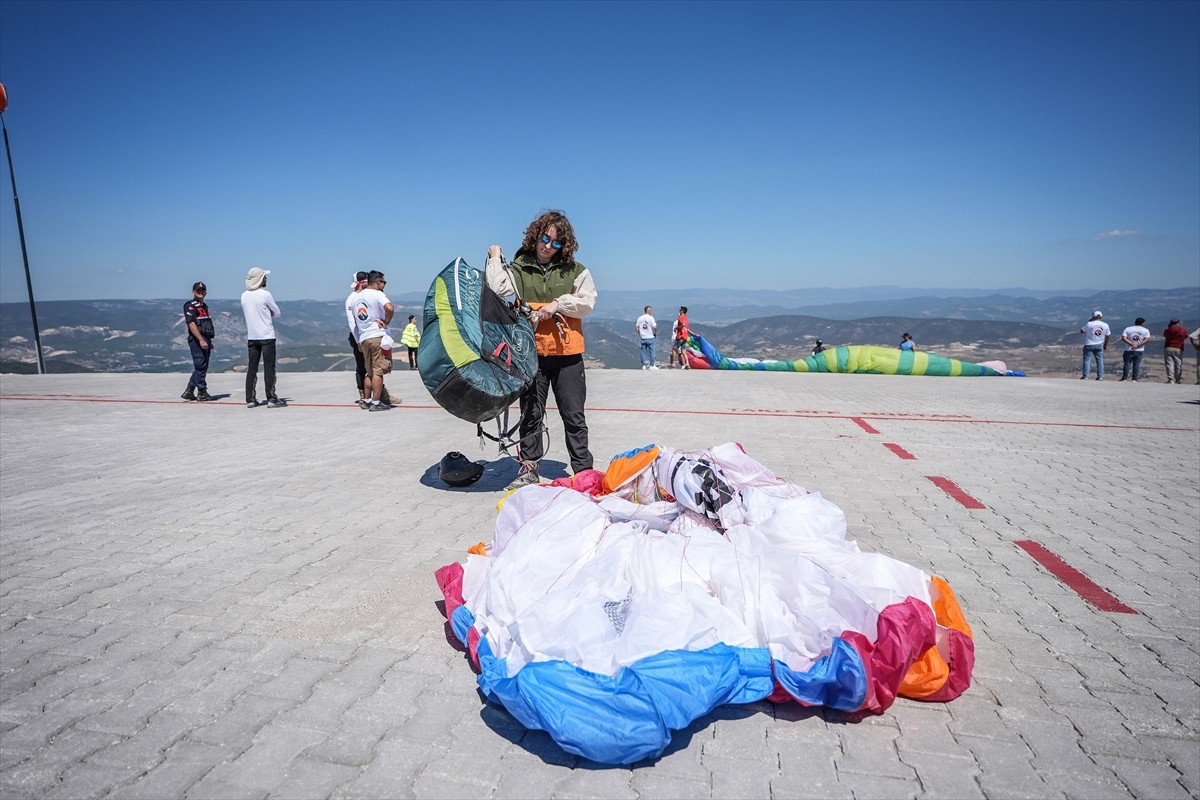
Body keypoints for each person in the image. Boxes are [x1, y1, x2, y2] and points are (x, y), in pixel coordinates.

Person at [485, 209, 597, 490]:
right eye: (545, 239)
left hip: (567, 355)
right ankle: (529, 468)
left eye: (556, 243)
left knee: (573, 415)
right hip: (530, 353)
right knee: (531, 413)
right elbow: (496, 287)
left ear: (564, 246)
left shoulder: (576, 270)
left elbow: (587, 302)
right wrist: (495, 258)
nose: (548, 246)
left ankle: (583, 471)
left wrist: (558, 304)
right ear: (536, 236)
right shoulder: (518, 268)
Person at [241, 267, 286, 408]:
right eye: (264, 277)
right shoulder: (265, 294)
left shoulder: (244, 295)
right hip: (267, 336)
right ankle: (272, 398)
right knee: (269, 367)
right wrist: (269, 313)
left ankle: (250, 399)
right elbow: (277, 312)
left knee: (252, 368)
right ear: (260, 279)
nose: (266, 279)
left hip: (252, 337)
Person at [353, 270, 394, 411]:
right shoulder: (378, 294)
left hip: (364, 337)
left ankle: (367, 400)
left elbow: (355, 320)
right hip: (377, 335)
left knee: (369, 372)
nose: (384, 285)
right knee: (378, 371)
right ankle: (376, 403)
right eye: (384, 282)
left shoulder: (356, 298)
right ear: (377, 282)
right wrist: (386, 322)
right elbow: (389, 307)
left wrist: (359, 339)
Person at [181, 281, 216, 402]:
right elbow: (191, 323)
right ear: (193, 292)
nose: (201, 292)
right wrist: (201, 339)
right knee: (200, 366)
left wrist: (208, 340)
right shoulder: (190, 306)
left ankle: (189, 391)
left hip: (205, 338)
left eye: (203, 290)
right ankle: (202, 392)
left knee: (202, 366)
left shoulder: (204, 306)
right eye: (198, 291)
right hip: (196, 339)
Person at [1079, 311, 1110, 381]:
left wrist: (1089, 322)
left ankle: (1085, 376)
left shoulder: (1089, 324)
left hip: (1089, 344)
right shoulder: (1105, 325)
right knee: (1100, 360)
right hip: (1099, 344)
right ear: (1101, 317)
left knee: (1087, 360)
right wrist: (1105, 345)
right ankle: (1100, 376)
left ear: (1093, 316)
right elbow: (1107, 336)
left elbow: (1082, 331)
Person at [1119, 317, 1151, 382]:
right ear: (1142, 323)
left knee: (1127, 363)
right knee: (1136, 364)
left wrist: (1131, 344)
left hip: (1128, 349)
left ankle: (1124, 378)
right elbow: (1147, 339)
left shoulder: (1128, 329)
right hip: (1139, 350)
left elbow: (1124, 338)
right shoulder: (1145, 330)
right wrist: (1138, 345)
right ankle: (1134, 378)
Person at [1162, 318, 1189, 384]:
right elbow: (1186, 336)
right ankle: (1178, 379)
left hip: (1168, 347)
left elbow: (1165, 335)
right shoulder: (1183, 330)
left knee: (1169, 363)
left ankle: (1170, 379)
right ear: (1178, 323)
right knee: (1178, 364)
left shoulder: (1168, 330)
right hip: (1179, 348)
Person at [636, 306, 658, 370]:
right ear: (649, 310)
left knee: (643, 352)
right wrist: (655, 333)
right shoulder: (651, 318)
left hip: (643, 337)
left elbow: (637, 327)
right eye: (651, 310)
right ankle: (652, 365)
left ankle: (643, 365)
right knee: (652, 351)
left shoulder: (640, 318)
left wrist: (640, 334)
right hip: (650, 337)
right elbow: (654, 327)